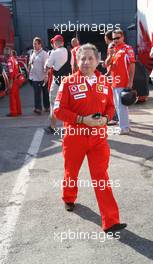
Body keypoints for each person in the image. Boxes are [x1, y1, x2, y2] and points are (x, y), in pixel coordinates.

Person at [53, 43, 127, 233]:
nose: (86, 62)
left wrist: (106, 118)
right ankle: (68, 197)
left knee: (101, 178)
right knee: (71, 172)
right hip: (74, 138)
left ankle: (110, 221)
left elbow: (111, 107)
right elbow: (58, 110)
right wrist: (81, 119)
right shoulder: (68, 82)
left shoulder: (104, 82)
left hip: (98, 139)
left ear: (97, 61)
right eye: (82, 58)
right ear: (77, 61)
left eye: (90, 58)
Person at [105, 29, 135, 135]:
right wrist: (110, 54)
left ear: (123, 37)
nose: (115, 40)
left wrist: (130, 81)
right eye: (113, 38)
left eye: (117, 38)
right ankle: (125, 126)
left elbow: (132, 65)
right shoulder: (113, 49)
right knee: (118, 106)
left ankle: (124, 128)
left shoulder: (127, 49)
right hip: (114, 81)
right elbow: (106, 64)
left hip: (123, 82)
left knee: (121, 106)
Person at [44, 34, 68, 134]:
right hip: (68, 80)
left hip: (57, 81)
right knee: (68, 105)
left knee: (53, 103)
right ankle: (69, 126)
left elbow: (47, 66)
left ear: (55, 43)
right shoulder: (68, 51)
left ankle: (53, 126)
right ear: (62, 42)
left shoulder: (54, 53)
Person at [28, 37, 50, 115]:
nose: (34, 45)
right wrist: (28, 71)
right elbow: (30, 63)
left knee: (45, 93)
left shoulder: (44, 54)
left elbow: (47, 66)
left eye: (35, 44)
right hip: (34, 77)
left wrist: (46, 76)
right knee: (36, 93)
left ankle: (46, 106)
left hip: (42, 77)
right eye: (33, 43)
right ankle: (38, 108)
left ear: (40, 44)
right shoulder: (33, 53)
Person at [6, 49, 22, 117]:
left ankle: (13, 112)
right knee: (16, 96)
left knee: (12, 96)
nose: (5, 52)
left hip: (13, 80)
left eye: (6, 50)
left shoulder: (10, 60)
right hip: (17, 80)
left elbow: (11, 72)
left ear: (10, 53)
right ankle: (18, 111)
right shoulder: (15, 60)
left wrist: (10, 82)